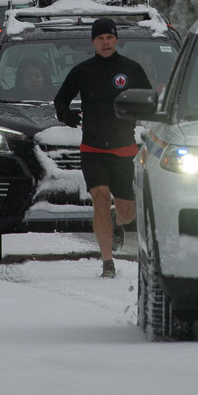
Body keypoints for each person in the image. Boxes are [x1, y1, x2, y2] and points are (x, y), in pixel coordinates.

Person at [53, 16, 151, 279]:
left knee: (127, 213)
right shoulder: (83, 71)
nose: (105, 42)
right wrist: (66, 114)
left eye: (109, 38)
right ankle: (107, 262)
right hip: (93, 148)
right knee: (99, 195)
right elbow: (60, 99)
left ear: (116, 40)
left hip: (123, 150)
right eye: (100, 38)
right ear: (93, 42)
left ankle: (118, 223)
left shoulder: (131, 69)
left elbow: (148, 100)